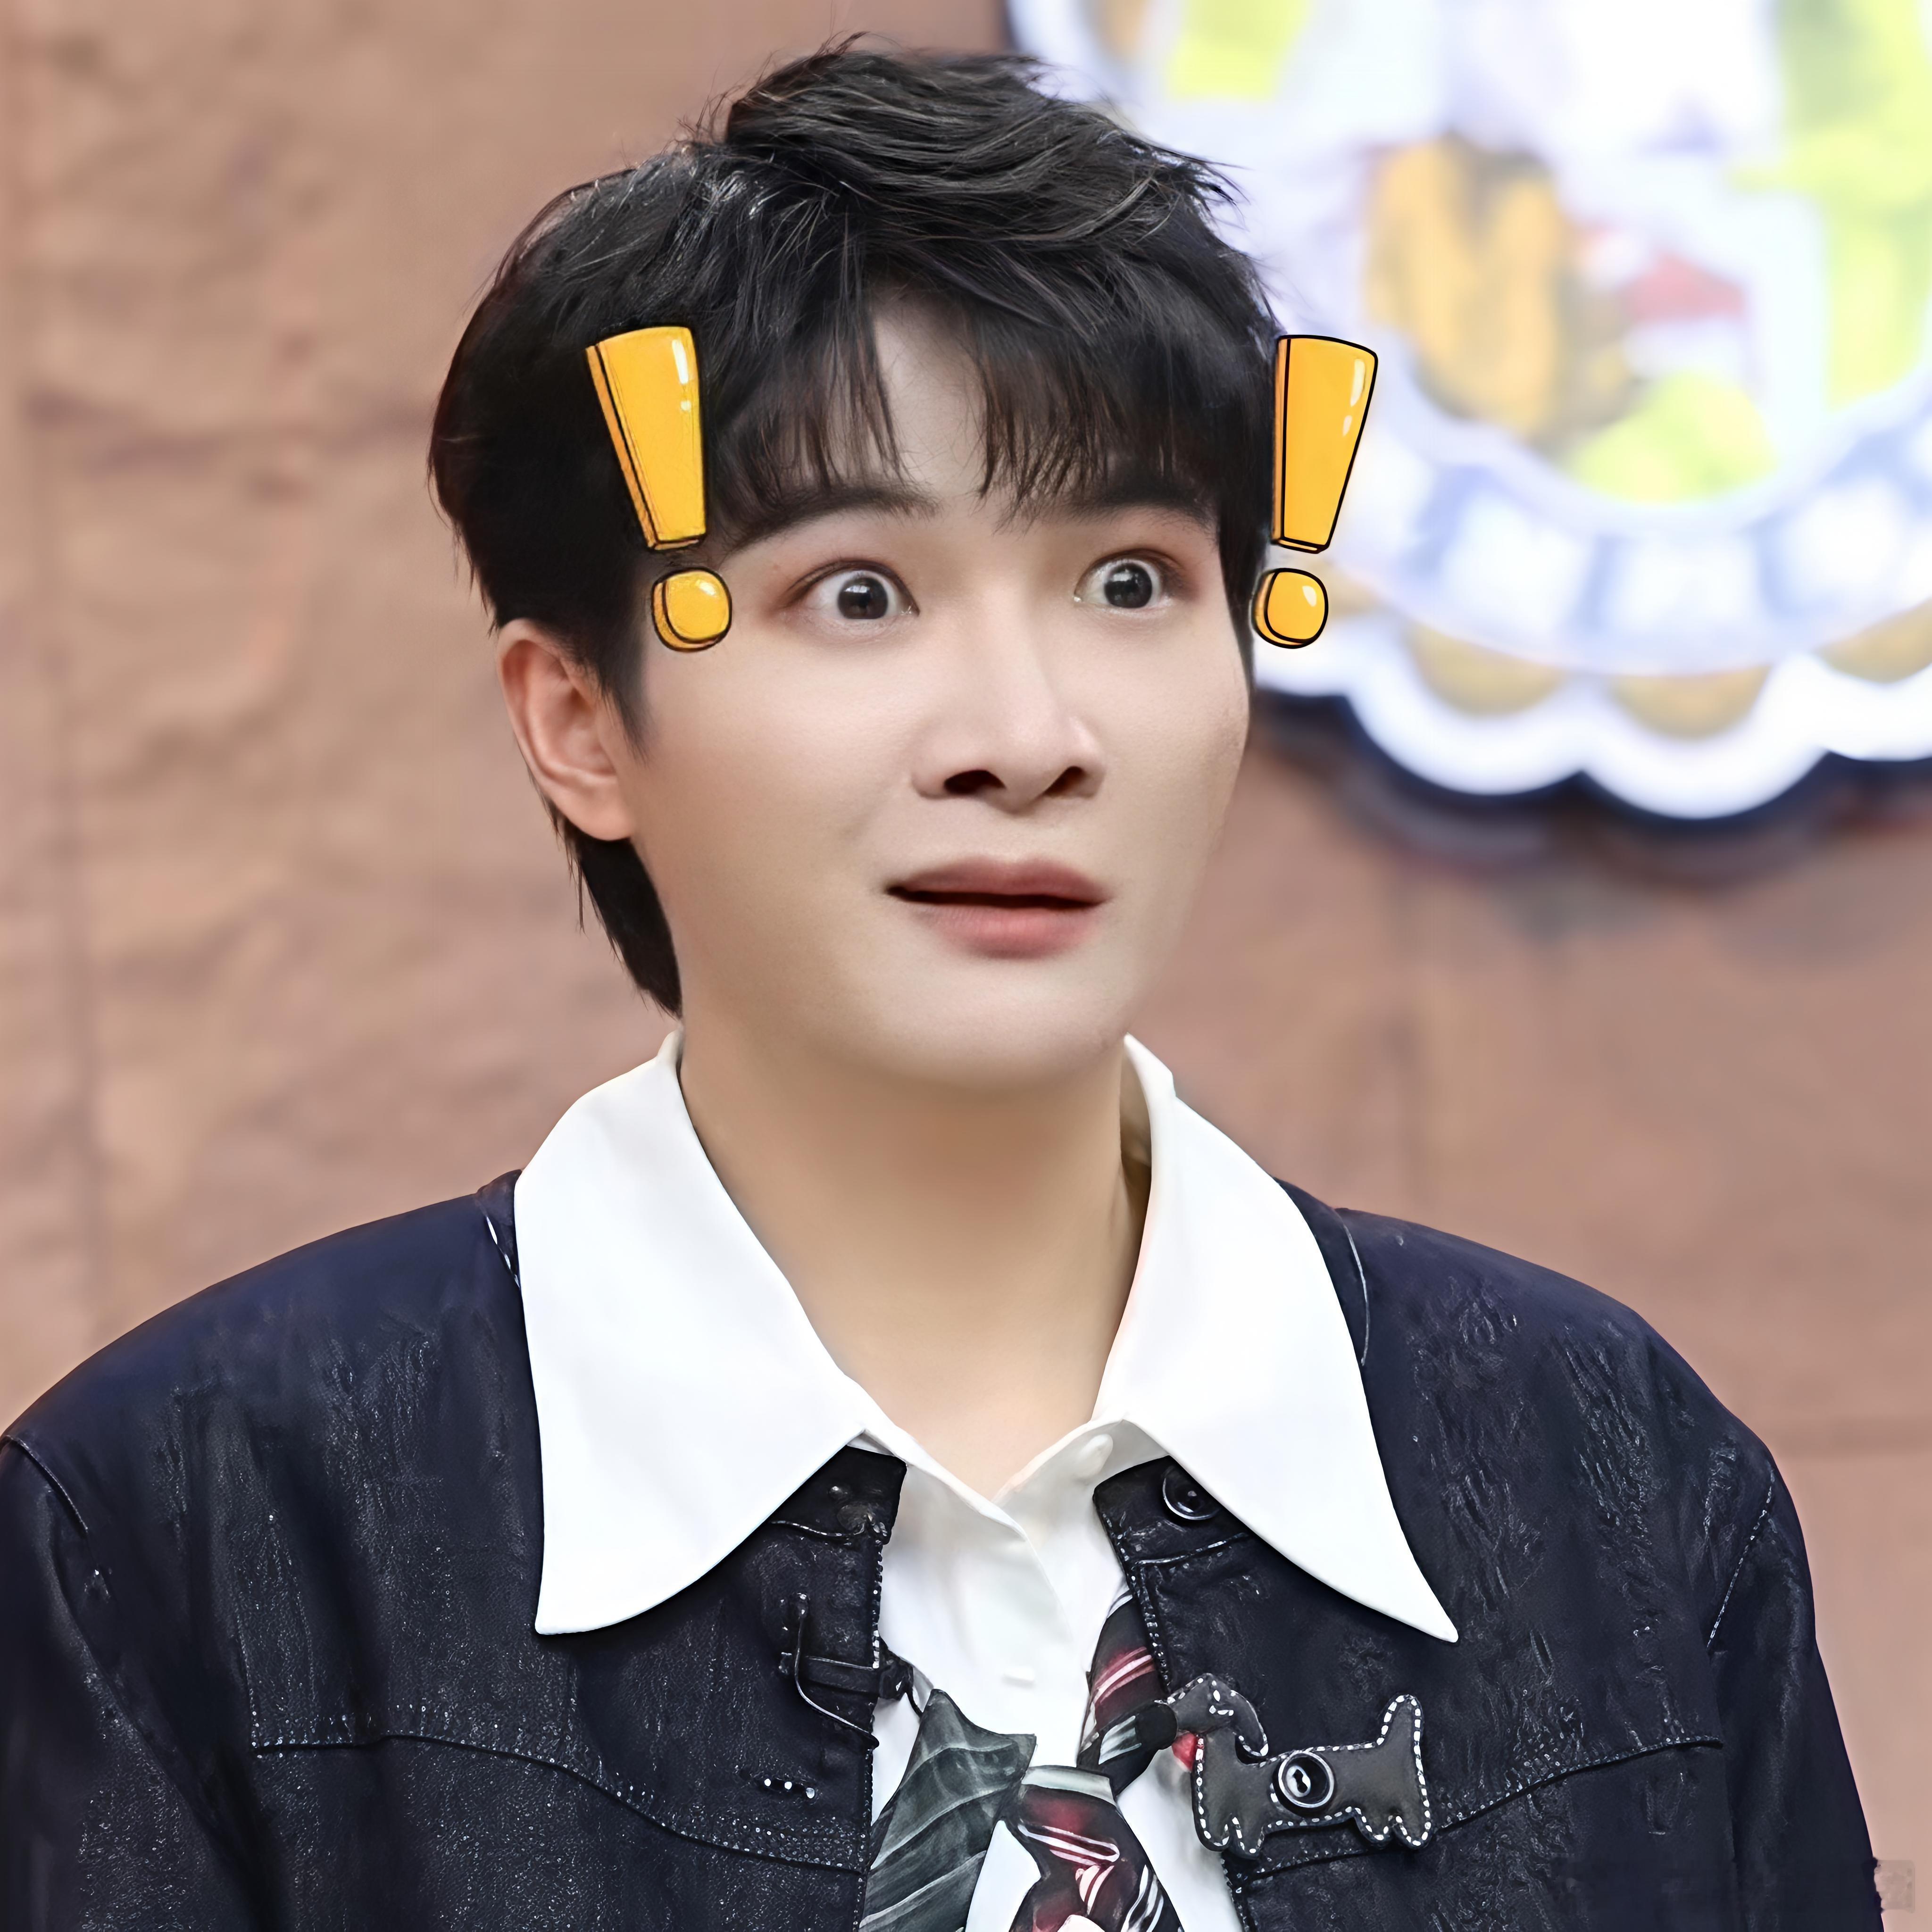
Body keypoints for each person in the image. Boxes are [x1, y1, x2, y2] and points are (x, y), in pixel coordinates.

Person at [0, 44, 1879, 1932]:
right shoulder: (191, 1535)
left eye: (1130, 582)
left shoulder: (1605, 1475)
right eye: (859, 593)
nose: (1026, 735)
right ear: (579, 719)